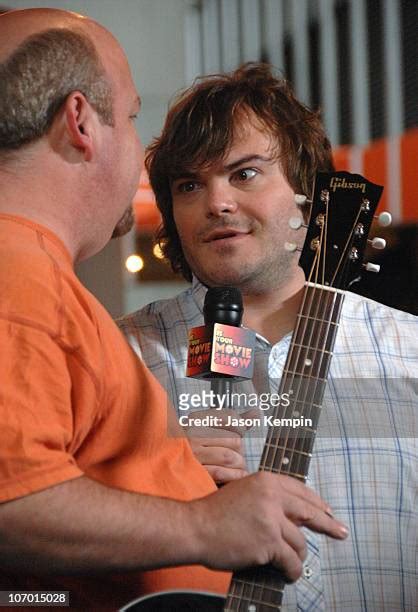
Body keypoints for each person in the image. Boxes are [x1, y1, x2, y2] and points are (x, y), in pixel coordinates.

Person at [0, 10, 350, 611]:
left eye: (245, 173)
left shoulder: (43, 279)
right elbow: (14, 503)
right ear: (81, 121)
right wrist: (203, 525)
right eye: (134, 117)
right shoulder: (20, 276)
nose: (217, 203)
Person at [119, 63, 418, 610]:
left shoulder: (409, 353)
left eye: (245, 174)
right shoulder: (121, 354)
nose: (217, 203)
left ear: (308, 195)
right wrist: (142, 473)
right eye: (189, 184)